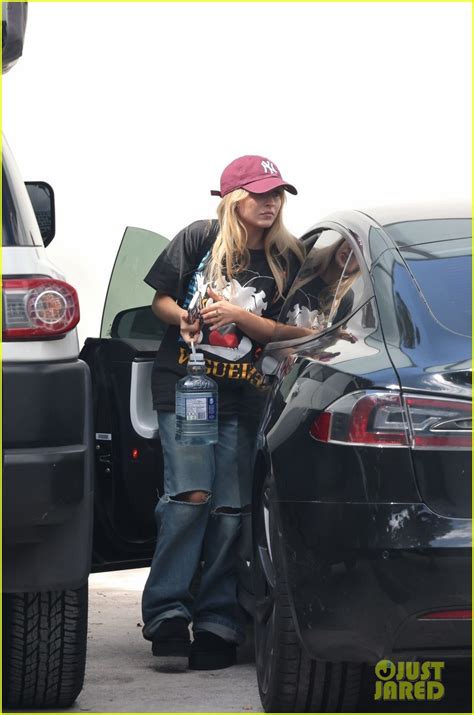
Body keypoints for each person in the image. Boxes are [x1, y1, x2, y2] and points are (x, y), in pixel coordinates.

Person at [141, 155, 304, 670]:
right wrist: (186, 319)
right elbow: (159, 301)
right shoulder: (198, 239)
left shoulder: (289, 260)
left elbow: (297, 332)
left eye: (277, 193)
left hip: (246, 394)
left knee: (232, 510)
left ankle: (217, 622)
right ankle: (167, 613)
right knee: (191, 496)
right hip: (188, 386)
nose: (270, 202)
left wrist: (240, 317)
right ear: (233, 197)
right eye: (259, 193)